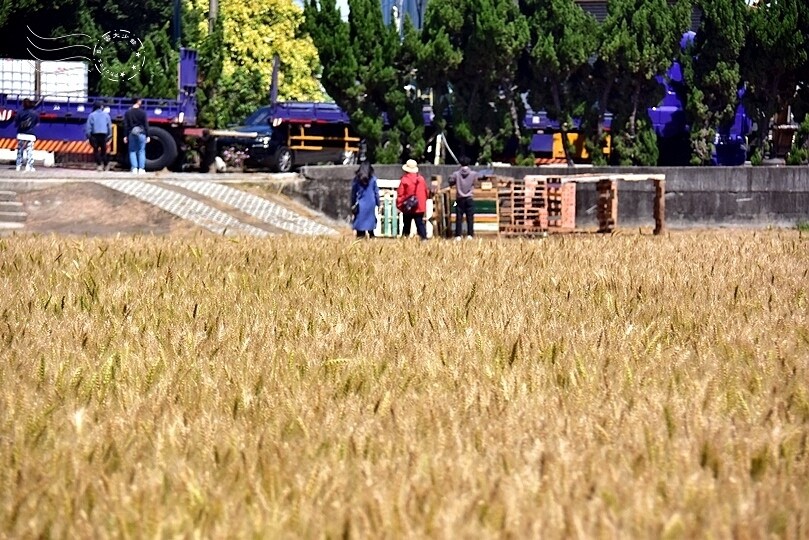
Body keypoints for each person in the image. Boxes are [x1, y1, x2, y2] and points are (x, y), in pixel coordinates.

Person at [396, 159, 429, 240]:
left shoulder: (404, 180)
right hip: (419, 206)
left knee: (406, 224)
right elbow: (426, 192)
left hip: (408, 206)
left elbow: (400, 193)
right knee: (420, 224)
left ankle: (404, 239)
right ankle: (424, 239)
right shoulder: (421, 179)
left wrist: (399, 205)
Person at [449, 155, 479, 239]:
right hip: (469, 198)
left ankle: (458, 235)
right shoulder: (473, 174)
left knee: (459, 217)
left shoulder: (456, 174)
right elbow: (476, 183)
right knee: (470, 218)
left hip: (459, 199)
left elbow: (451, 181)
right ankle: (470, 235)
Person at [350, 162, 380, 238]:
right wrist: (378, 204)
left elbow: (353, 193)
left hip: (361, 204)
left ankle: (361, 239)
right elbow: (376, 192)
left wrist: (352, 204)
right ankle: (372, 237)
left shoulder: (357, 180)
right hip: (371, 203)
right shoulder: (373, 179)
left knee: (360, 225)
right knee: (371, 223)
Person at [123, 97, 150, 174]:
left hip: (132, 132)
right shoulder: (143, 112)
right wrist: (148, 135)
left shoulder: (128, 112)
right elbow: (146, 124)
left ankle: (134, 168)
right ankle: (141, 169)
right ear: (138, 102)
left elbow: (126, 125)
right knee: (141, 150)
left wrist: (125, 135)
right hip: (141, 132)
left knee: (132, 150)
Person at [85, 101, 113, 171]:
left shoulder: (91, 115)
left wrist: (88, 136)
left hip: (94, 134)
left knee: (96, 150)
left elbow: (88, 127)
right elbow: (109, 126)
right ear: (101, 107)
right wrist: (110, 135)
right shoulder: (106, 115)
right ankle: (106, 165)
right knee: (104, 150)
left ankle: (99, 165)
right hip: (104, 134)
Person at [15, 98, 39, 172]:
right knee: (30, 151)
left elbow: (16, 123)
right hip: (30, 135)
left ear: (23, 104)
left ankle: (18, 166)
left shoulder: (19, 113)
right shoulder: (35, 113)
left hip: (21, 134)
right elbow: (36, 123)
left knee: (20, 151)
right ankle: (29, 166)